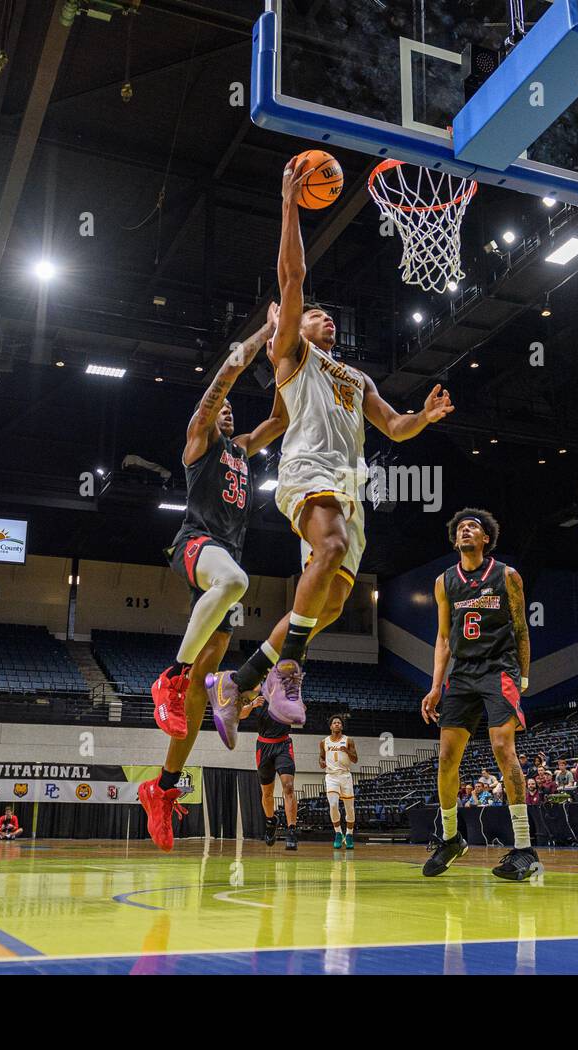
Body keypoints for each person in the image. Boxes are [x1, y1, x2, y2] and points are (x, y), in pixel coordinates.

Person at [205, 154, 453, 730]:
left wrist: (426, 416)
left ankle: (237, 682)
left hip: (348, 486)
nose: (325, 320)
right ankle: (288, 666)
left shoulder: (357, 377)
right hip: (307, 469)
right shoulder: (294, 356)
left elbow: (394, 427)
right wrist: (290, 205)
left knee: (334, 602)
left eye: (327, 318)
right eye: (316, 315)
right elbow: (292, 277)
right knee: (333, 550)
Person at [139, 312, 289, 852]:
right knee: (235, 581)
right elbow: (225, 374)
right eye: (218, 403)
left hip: (223, 568)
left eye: (229, 405)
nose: (225, 406)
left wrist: (289, 353)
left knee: (204, 690)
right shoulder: (198, 442)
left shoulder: (243, 450)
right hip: (196, 547)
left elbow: (281, 415)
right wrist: (264, 335)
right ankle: (170, 676)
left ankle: (163, 786)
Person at [421, 508, 540, 881]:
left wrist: (522, 678)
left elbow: (521, 630)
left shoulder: (507, 576)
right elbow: (443, 638)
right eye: (460, 528)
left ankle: (524, 848)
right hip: (462, 674)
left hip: (499, 670)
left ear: (486, 537)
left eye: (473, 526)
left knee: (504, 748)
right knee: (445, 758)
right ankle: (452, 838)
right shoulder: (444, 582)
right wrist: (436, 684)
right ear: (455, 540)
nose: (466, 530)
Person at [240, 693, 300, 850]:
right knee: (267, 793)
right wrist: (252, 705)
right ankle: (270, 821)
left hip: (283, 745)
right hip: (264, 747)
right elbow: (240, 714)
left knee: (288, 787)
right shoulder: (256, 697)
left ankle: (292, 830)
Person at [319, 715, 358, 849]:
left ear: (342, 726)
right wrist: (321, 762)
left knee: (349, 808)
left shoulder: (348, 740)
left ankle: (349, 834)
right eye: (334, 723)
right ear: (330, 726)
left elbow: (355, 759)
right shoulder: (324, 742)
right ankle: (338, 833)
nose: (337, 724)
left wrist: (346, 750)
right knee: (333, 805)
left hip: (345, 775)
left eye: (339, 723)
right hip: (331, 776)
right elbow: (321, 757)